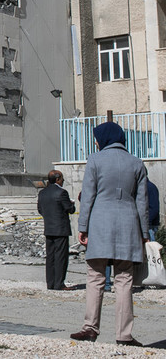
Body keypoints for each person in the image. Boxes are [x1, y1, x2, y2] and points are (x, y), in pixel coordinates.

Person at [70, 122, 148, 347]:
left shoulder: (95, 160)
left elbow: (88, 197)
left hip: (100, 223)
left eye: (96, 138)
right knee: (124, 279)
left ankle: (90, 327)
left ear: (103, 139)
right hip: (128, 225)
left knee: (95, 277)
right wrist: (144, 234)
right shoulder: (137, 163)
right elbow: (142, 202)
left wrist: (82, 227)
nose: (95, 142)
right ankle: (124, 334)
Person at [37, 170, 76, 291]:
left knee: (50, 257)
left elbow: (40, 209)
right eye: (62, 178)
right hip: (60, 229)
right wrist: (71, 204)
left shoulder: (42, 193)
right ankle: (59, 283)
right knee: (61, 257)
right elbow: (70, 209)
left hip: (49, 229)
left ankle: (51, 283)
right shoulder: (62, 193)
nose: (63, 181)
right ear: (58, 179)